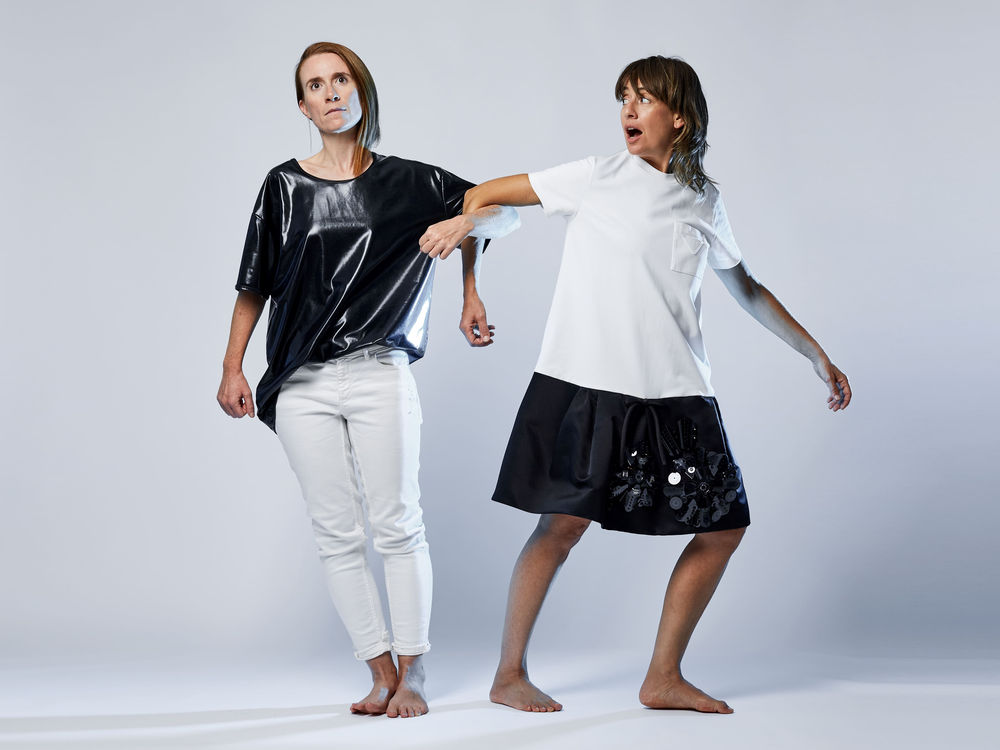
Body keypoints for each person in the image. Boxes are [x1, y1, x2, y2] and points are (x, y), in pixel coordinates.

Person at [418, 55, 851, 714]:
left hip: (678, 396)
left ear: (680, 117)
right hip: (587, 385)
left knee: (723, 528)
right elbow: (481, 197)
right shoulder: (595, 175)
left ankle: (663, 677)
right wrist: (470, 285)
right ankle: (509, 674)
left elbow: (746, 286)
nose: (628, 108)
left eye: (644, 98)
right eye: (623, 96)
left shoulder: (705, 200)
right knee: (560, 527)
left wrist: (815, 353)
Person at [217, 41, 518, 718]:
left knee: (398, 524)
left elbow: (506, 212)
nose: (329, 92)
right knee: (336, 533)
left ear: (360, 90)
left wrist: (468, 264)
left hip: (380, 370)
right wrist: (232, 365)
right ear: (303, 105)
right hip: (301, 382)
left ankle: (413, 670)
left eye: (340, 79)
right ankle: (379, 669)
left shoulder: (411, 182)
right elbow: (253, 284)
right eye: (314, 85)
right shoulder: (282, 186)